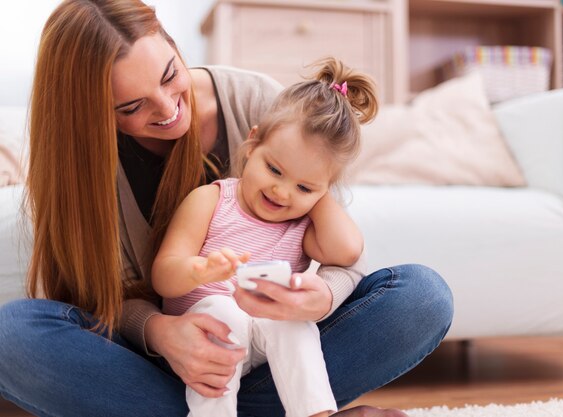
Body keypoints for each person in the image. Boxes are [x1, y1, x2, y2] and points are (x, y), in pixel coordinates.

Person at [0, 1, 453, 416]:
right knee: (10, 335)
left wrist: (322, 296)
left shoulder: (256, 100)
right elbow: (102, 299)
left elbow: (346, 257)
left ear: (173, 44)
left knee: (423, 297)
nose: (167, 110)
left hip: (268, 348)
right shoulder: (80, 166)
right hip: (155, 360)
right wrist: (161, 333)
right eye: (132, 107)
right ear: (91, 111)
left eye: (168, 75)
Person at [152, 57, 377, 417]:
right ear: (252, 143)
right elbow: (163, 275)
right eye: (274, 168)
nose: (282, 192)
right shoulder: (212, 199)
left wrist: (318, 195)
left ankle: (315, 412)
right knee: (226, 310)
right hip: (199, 343)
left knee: (293, 321)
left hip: (265, 356)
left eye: (303, 186)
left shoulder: (302, 224)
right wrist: (199, 271)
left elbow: (348, 250)